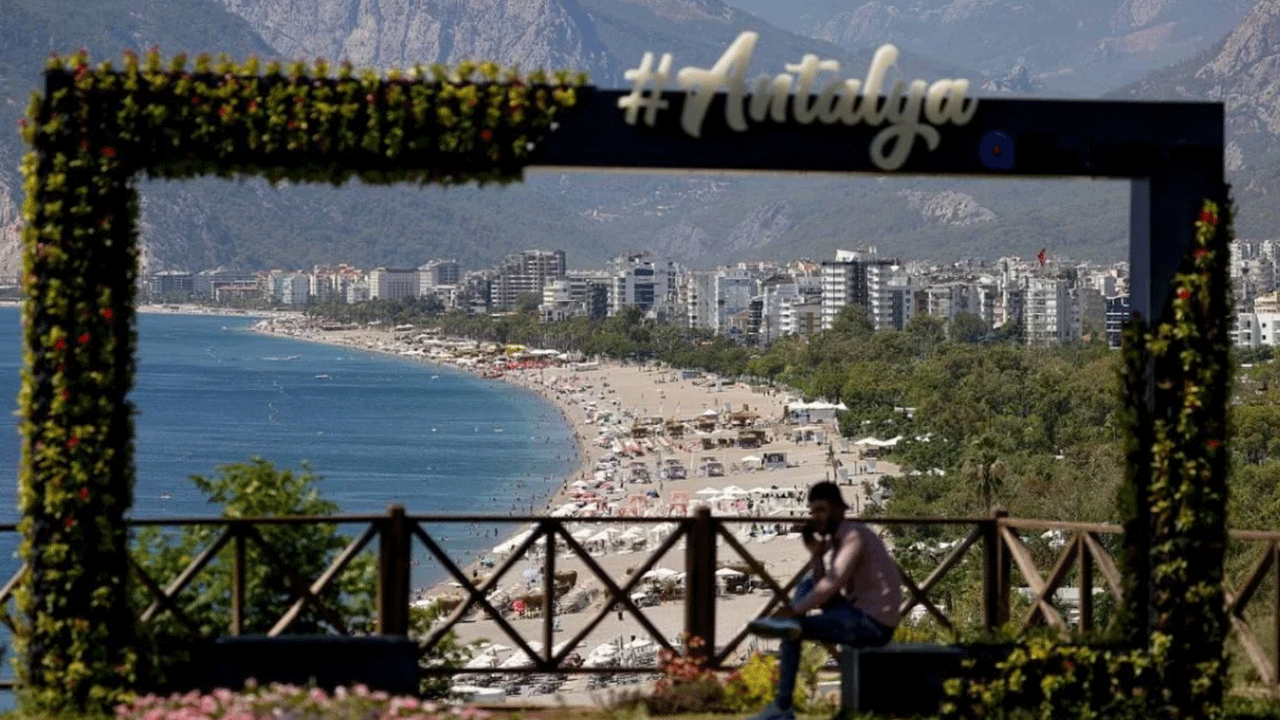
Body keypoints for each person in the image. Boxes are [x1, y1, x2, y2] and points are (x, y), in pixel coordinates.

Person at [744, 481, 901, 720]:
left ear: (838, 509)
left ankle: (783, 704)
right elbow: (820, 582)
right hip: (859, 612)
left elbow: (832, 582)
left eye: (822, 510)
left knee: (793, 628)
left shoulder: (853, 536)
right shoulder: (840, 537)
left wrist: (795, 610)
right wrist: (816, 553)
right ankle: (788, 627)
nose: (817, 517)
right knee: (805, 585)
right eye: (813, 512)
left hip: (872, 623)